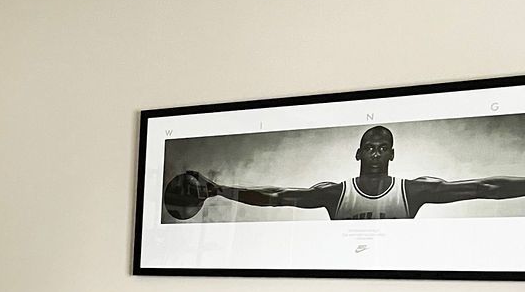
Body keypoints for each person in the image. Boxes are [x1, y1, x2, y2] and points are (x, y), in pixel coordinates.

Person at [181, 125, 525, 220]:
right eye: (369, 147)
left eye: (382, 148)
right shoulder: (335, 193)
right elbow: (277, 197)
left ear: (392, 154)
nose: (375, 153)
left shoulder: (414, 190)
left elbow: (483, 187)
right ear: (358, 153)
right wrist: (219, 189)